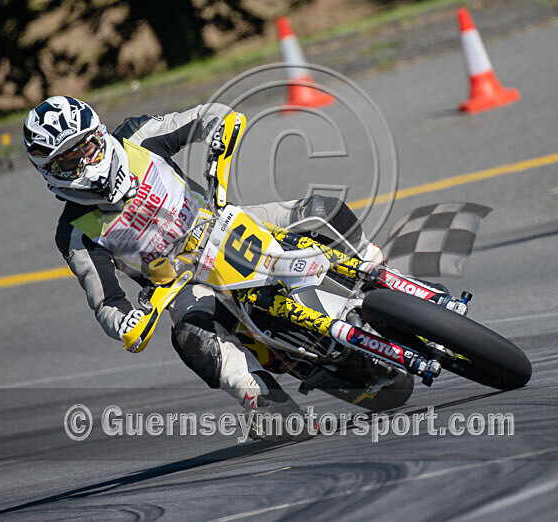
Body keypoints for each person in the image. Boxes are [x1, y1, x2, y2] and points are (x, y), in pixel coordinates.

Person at [23, 96, 382, 440]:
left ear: (99, 134)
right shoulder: (73, 232)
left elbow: (208, 115)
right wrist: (127, 323)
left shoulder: (137, 137)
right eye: (69, 161)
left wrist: (218, 141)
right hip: (181, 284)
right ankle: (259, 398)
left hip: (221, 224)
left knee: (321, 209)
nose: (85, 163)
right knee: (190, 337)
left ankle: (381, 280)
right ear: (50, 172)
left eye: (85, 148)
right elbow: (107, 303)